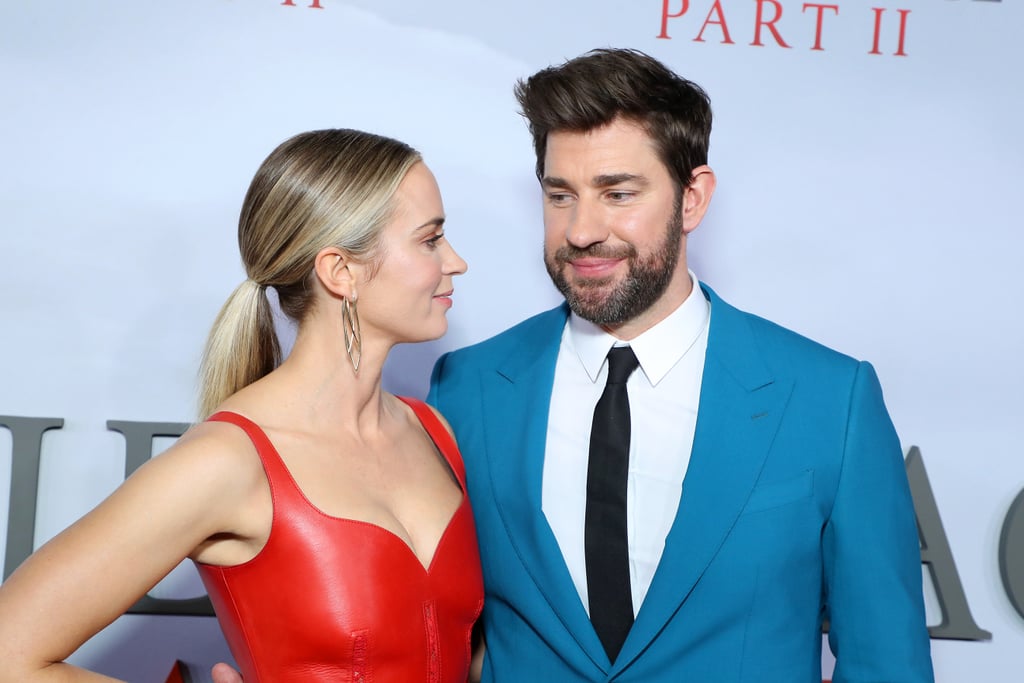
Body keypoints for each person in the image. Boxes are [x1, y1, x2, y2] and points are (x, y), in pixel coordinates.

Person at [425, 48, 934, 682]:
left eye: (617, 193)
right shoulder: (467, 388)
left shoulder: (830, 399)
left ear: (692, 199)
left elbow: (888, 664)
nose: (581, 230)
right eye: (560, 196)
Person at [0, 128, 481, 682]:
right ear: (340, 272)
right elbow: (12, 654)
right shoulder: (228, 461)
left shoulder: (435, 434)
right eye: (430, 239)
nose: (457, 261)